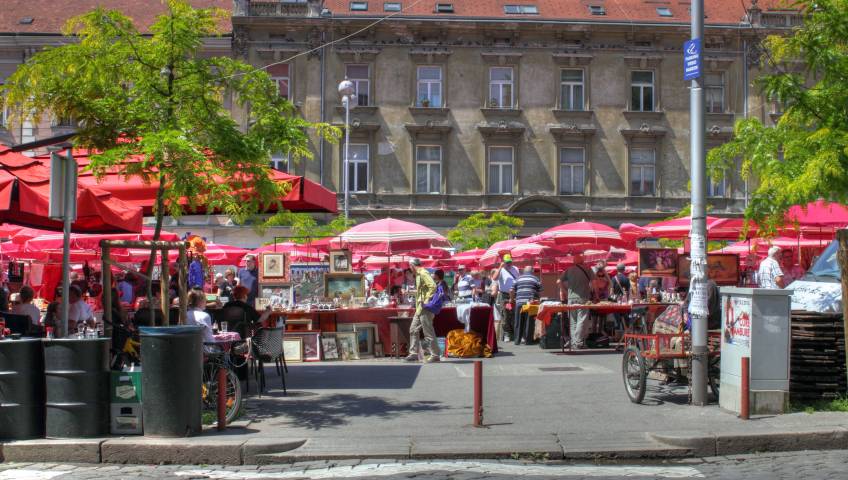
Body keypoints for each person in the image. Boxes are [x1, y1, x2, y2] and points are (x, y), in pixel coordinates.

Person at [404, 258, 440, 363]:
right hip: (420, 308)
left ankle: (435, 355)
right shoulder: (419, 274)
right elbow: (422, 290)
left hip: (425, 308)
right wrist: (411, 292)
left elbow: (433, 286)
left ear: (412, 265)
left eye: (410, 266)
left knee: (428, 331)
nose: (410, 269)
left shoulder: (423, 273)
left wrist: (426, 300)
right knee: (413, 329)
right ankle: (413, 353)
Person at [559, 253, 596, 350]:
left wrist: (565, 291)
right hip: (583, 297)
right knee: (582, 320)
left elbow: (559, 281)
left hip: (571, 299)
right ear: (582, 260)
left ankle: (574, 342)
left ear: (574, 261)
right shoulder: (588, 269)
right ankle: (578, 342)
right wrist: (596, 295)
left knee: (573, 321)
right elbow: (594, 283)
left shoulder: (569, 270)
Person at [511, 266, 541, 345]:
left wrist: (512, 299)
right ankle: (528, 340)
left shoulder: (518, 279)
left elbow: (511, 290)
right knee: (529, 322)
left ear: (524, 271)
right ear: (532, 271)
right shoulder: (535, 279)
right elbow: (540, 290)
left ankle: (517, 340)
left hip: (519, 302)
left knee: (518, 322)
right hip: (530, 303)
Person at [493, 254, 520, 341]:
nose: (509, 264)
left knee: (514, 313)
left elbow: (518, 279)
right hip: (505, 295)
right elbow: (494, 278)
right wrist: (500, 267)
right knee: (506, 314)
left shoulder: (515, 269)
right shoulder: (501, 270)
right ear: (503, 262)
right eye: (507, 262)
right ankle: (507, 333)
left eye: (510, 262)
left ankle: (514, 333)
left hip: (514, 294)